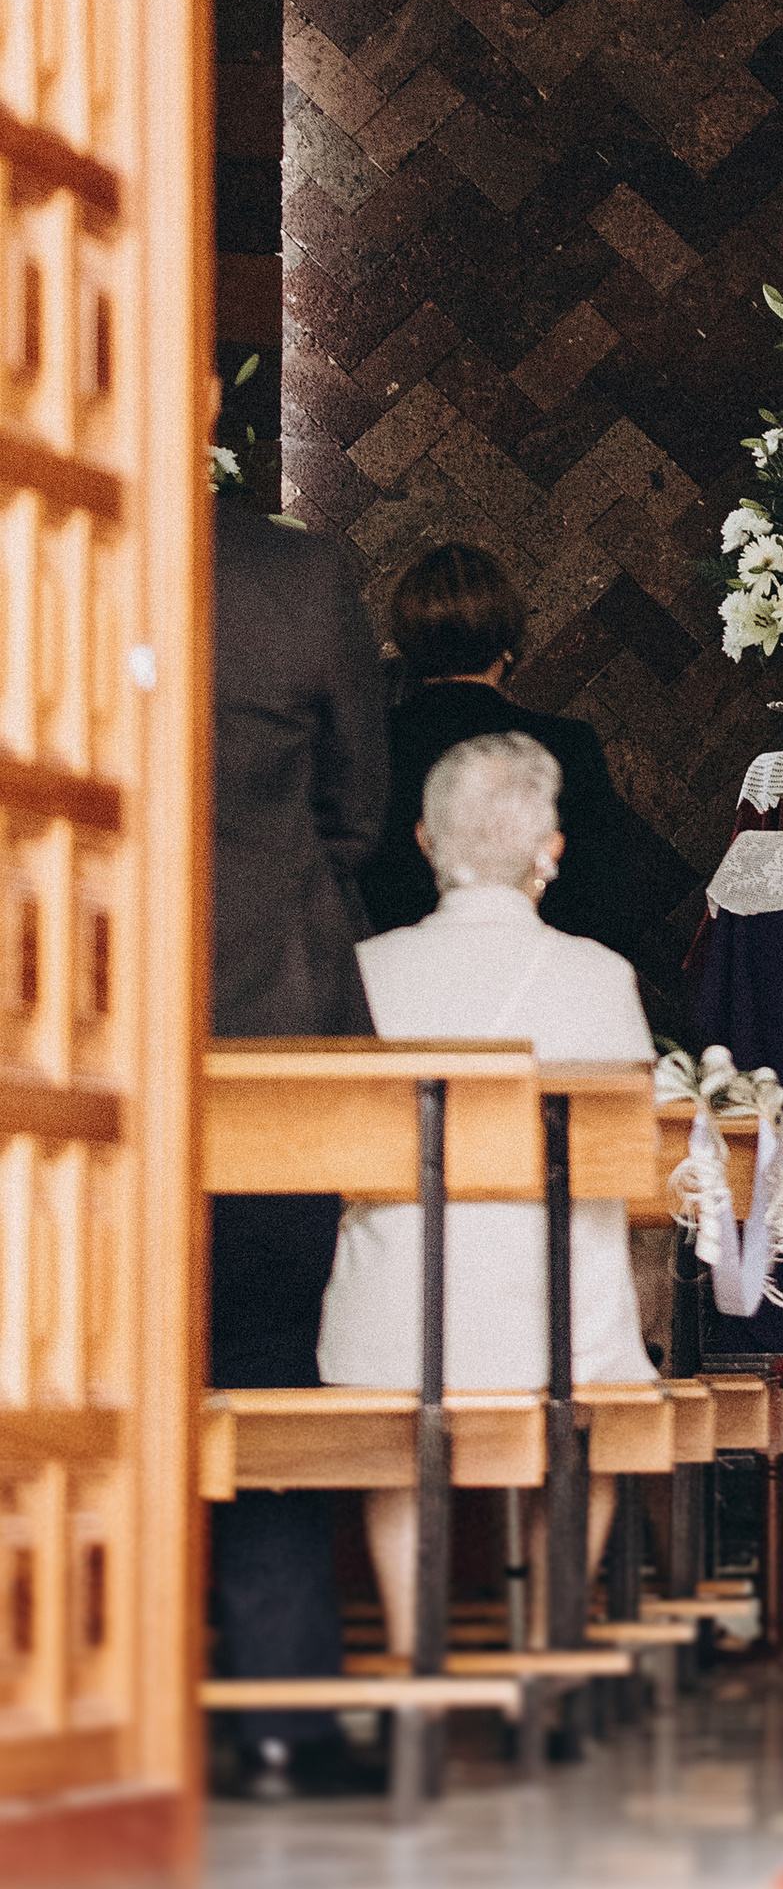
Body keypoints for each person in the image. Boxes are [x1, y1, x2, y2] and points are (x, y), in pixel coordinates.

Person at [320, 734, 657, 1662]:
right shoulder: (601, 979)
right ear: (551, 851)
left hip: (392, 1333)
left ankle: (411, 1644)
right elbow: (632, 1167)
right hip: (553, 1335)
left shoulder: (365, 973)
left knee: (400, 1433)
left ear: (426, 842)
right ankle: (552, 1643)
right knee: (588, 1414)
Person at [208, 476, 391, 1796]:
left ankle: (74, 1692)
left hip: (71, 1019)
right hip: (274, 1014)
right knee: (270, 1352)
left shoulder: (48, 548)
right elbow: (362, 809)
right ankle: (278, 1711)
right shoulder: (299, 578)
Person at [361, 543, 649, 968]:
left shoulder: (365, 746)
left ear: (409, 640)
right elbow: (608, 898)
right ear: (507, 639)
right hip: (542, 996)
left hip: (388, 994)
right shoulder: (568, 745)